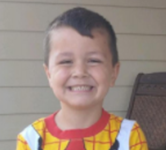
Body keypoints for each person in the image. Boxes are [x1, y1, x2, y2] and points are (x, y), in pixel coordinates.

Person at [16, 7, 148, 150]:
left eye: (94, 60)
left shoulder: (129, 136)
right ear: (49, 74)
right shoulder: (32, 139)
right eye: (66, 61)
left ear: (113, 73)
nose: (80, 72)